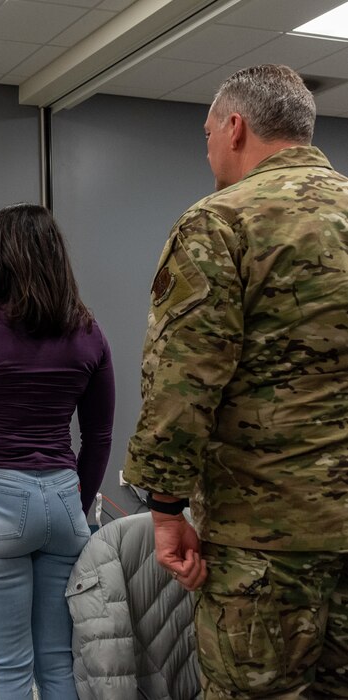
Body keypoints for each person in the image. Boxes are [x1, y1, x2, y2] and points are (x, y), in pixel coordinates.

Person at [124, 64, 348, 698]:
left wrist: (165, 508)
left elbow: (182, 382)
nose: (209, 149)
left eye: (206, 134)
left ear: (235, 126)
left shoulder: (220, 222)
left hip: (265, 538)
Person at [0, 203, 115, 699]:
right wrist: (75, 508)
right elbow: (98, 437)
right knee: (59, 665)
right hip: (63, 500)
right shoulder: (89, 332)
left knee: (9, 669)